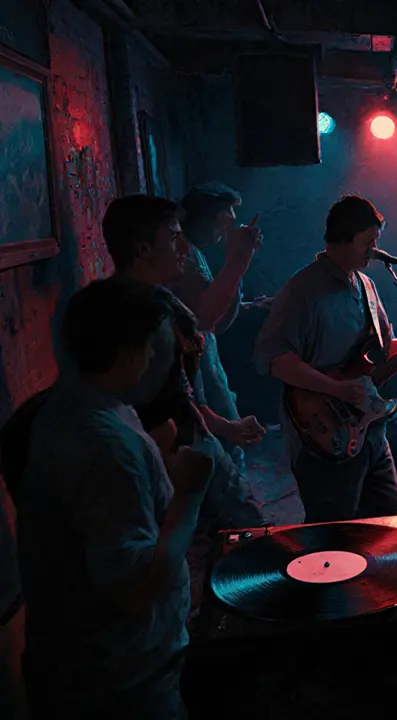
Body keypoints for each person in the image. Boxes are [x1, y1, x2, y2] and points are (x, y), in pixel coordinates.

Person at [17, 277, 214, 718]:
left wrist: (158, 456)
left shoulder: (86, 404)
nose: (155, 363)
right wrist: (189, 495)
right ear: (131, 351)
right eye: (154, 348)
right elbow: (135, 590)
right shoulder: (104, 444)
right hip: (120, 685)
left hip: (106, 669)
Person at [103, 194, 268, 618]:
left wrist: (222, 428)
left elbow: (177, 393)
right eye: (174, 239)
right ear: (143, 249)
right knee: (223, 543)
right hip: (179, 456)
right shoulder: (138, 313)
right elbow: (157, 403)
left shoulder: (159, 301)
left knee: (227, 540)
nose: (185, 248)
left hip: (195, 442)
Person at [256, 195, 397, 523]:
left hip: (369, 429)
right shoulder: (303, 290)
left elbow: (382, 352)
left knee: (394, 526)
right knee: (334, 534)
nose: (374, 250)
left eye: (376, 241)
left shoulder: (366, 285)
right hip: (323, 433)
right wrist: (337, 390)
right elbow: (273, 358)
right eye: (368, 242)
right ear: (343, 239)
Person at [169, 182, 266, 469]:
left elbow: (219, 324)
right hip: (192, 374)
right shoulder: (181, 253)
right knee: (221, 455)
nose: (228, 230)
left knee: (228, 451)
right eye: (224, 220)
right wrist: (238, 261)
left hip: (205, 367)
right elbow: (205, 319)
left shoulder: (194, 252)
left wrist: (239, 263)